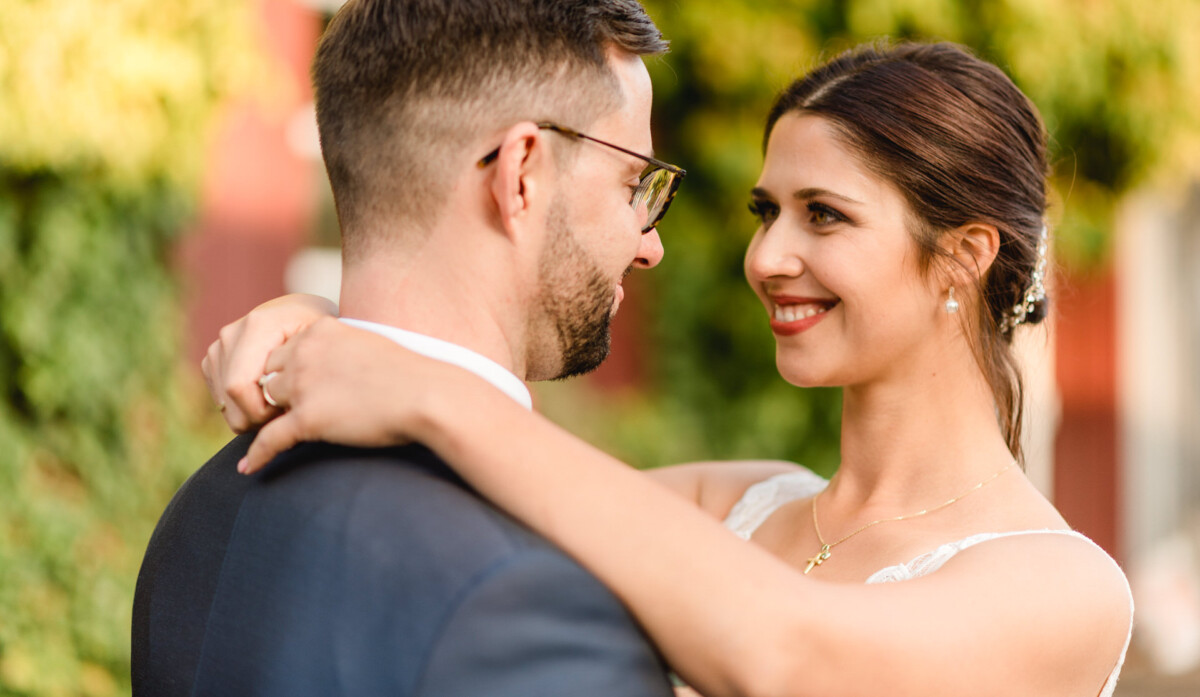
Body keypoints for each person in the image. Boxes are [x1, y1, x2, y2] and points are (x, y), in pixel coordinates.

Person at [207, 41, 1134, 697]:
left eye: (825, 215)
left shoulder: (1062, 590)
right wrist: (327, 322)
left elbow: (788, 657)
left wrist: (430, 390)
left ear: (966, 255)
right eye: (765, 210)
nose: (766, 257)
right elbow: (454, 515)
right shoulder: (731, 502)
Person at [133, 0, 685, 697]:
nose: (648, 243)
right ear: (522, 173)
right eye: (634, 183)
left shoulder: (203, 505)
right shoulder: (535, 598)